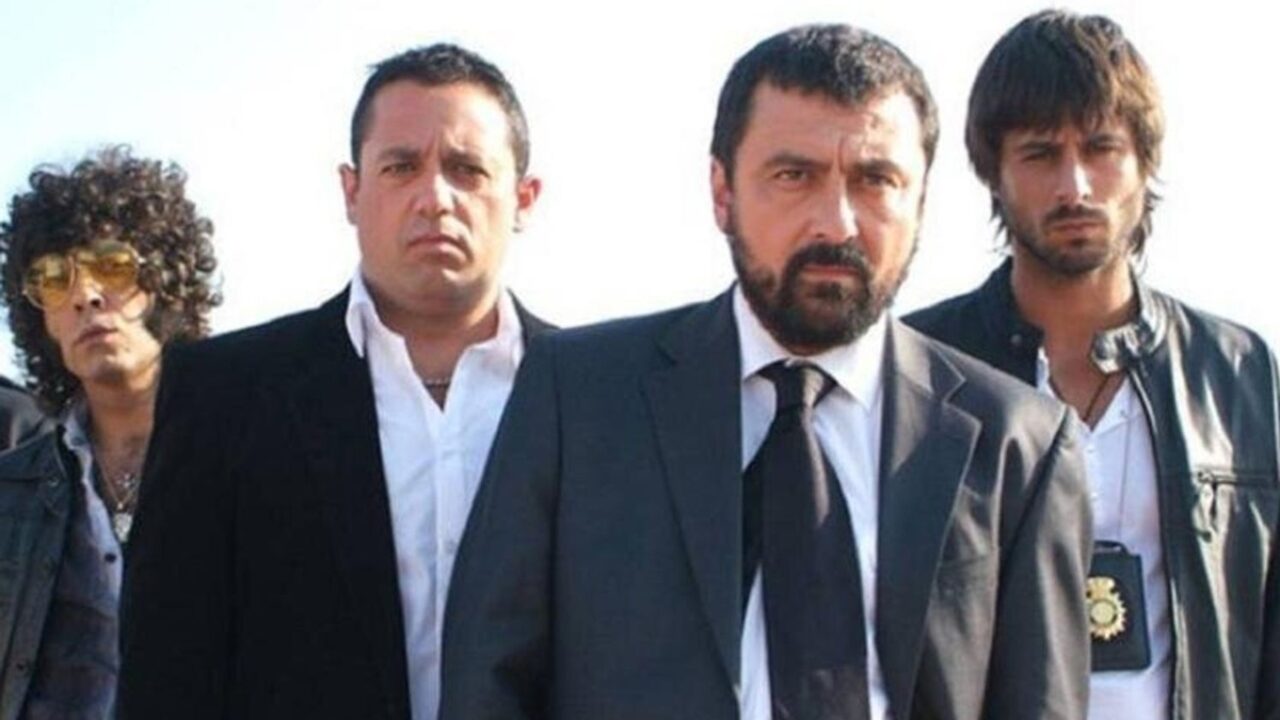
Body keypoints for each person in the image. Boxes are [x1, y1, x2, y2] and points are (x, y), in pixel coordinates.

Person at [441, 24, 1091, 720]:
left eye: (875, 181)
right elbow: (488, 682)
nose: (836, 224)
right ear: (722, 192)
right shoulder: (579, 398)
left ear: (921, 201)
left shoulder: (1017, 443)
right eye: (794, 176)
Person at [118, 43, 552, 720]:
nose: (435, 199)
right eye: (401, 167)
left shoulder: (599, 398)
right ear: (352, 191)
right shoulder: (224, 394)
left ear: (524, 197)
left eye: (467, 170)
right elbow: (167, 670)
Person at [904, 9, 1279, 719]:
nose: (1074, 187)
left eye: (1101, 147)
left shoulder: (1235, 371)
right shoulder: (920, 369)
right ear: (993, 172)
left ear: (1144, 161)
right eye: (1040, 154)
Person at [0, 146, 219, 719]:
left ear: (164, 281)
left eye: (113, 266)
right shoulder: (10, 493)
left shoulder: (251, 454)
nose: (85, 295)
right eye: (54, 279)